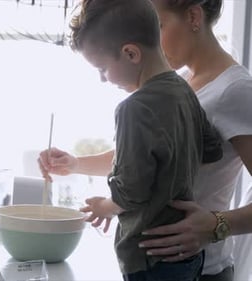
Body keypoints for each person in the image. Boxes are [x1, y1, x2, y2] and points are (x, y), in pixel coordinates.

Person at [41, 1, 252, 280]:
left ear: (192, 16)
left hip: (201, 268)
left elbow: (137, 177)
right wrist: (75, 163)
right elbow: (145, 159)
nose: (150, 35)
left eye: (158, 24)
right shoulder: (182, 82)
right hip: (168, 258)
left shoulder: (235, 90)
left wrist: (216, 224)